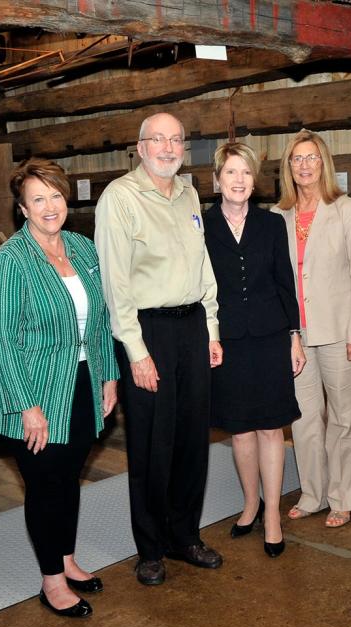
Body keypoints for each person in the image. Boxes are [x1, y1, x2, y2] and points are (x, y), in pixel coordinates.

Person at [0, 158, 120, 618]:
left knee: (68, 476)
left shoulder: (82, 248)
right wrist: (26, 406)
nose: (49, 206)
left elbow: (100, 320)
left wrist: (109, 374)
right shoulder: (10, 262)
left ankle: (68, 559)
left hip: (81, 380)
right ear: (22, 208)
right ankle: (51, 582)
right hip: (32, 388)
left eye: (55, 195)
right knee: (45, 484)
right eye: (38, 199)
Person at [95, 112, 223, 586]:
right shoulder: (120, 198)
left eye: (177, 140)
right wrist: (136, 350)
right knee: (152, 444)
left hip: (191, 325)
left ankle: (184, 536)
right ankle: (150, 548)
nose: (168, 148)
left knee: (193, 440)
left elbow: (203, 265)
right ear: (140, 146)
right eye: (159, 140)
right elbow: (116, 281)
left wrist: (211, 328)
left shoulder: (188, 193)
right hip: (148, 331)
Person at [202, 142, 305, 557]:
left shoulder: (271, 223)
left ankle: (274, 514)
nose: (239, 180)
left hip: (269, 337)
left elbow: (285, 282)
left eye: (245, 173)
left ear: (254, 180)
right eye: (231, 172)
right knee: (240, 429)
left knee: (270, 428)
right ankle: (249, 504)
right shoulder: (202, 225)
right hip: (225, 341)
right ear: (217, 179)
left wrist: (294, 336)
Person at [272, 129, 351, 529]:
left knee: (345, 418)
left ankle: (344, 496)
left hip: (339, 332)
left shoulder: (345, 209)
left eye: (311, 157)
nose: (304, 165)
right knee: (303, 418)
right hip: (296, 336)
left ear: (324, 163)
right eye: (297, 159)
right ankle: (313, 493)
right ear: (288, 167)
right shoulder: (278, 216)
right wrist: (284, 334)